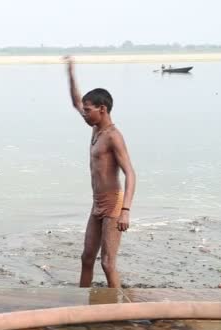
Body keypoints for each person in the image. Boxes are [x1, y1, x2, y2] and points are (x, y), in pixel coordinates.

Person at [63, 56, 136, 288]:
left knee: (107, 262)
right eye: (84, 111)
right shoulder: (95, 128)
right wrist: (71, 72)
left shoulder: (114, 136)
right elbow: (77, 101)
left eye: (88, 111)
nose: (84, 114)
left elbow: (131, 174)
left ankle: (119, 311)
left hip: (114, 204)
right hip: (97, 203)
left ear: (102, 109)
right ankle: (80, 303)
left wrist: (125, 211)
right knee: (86, 258)